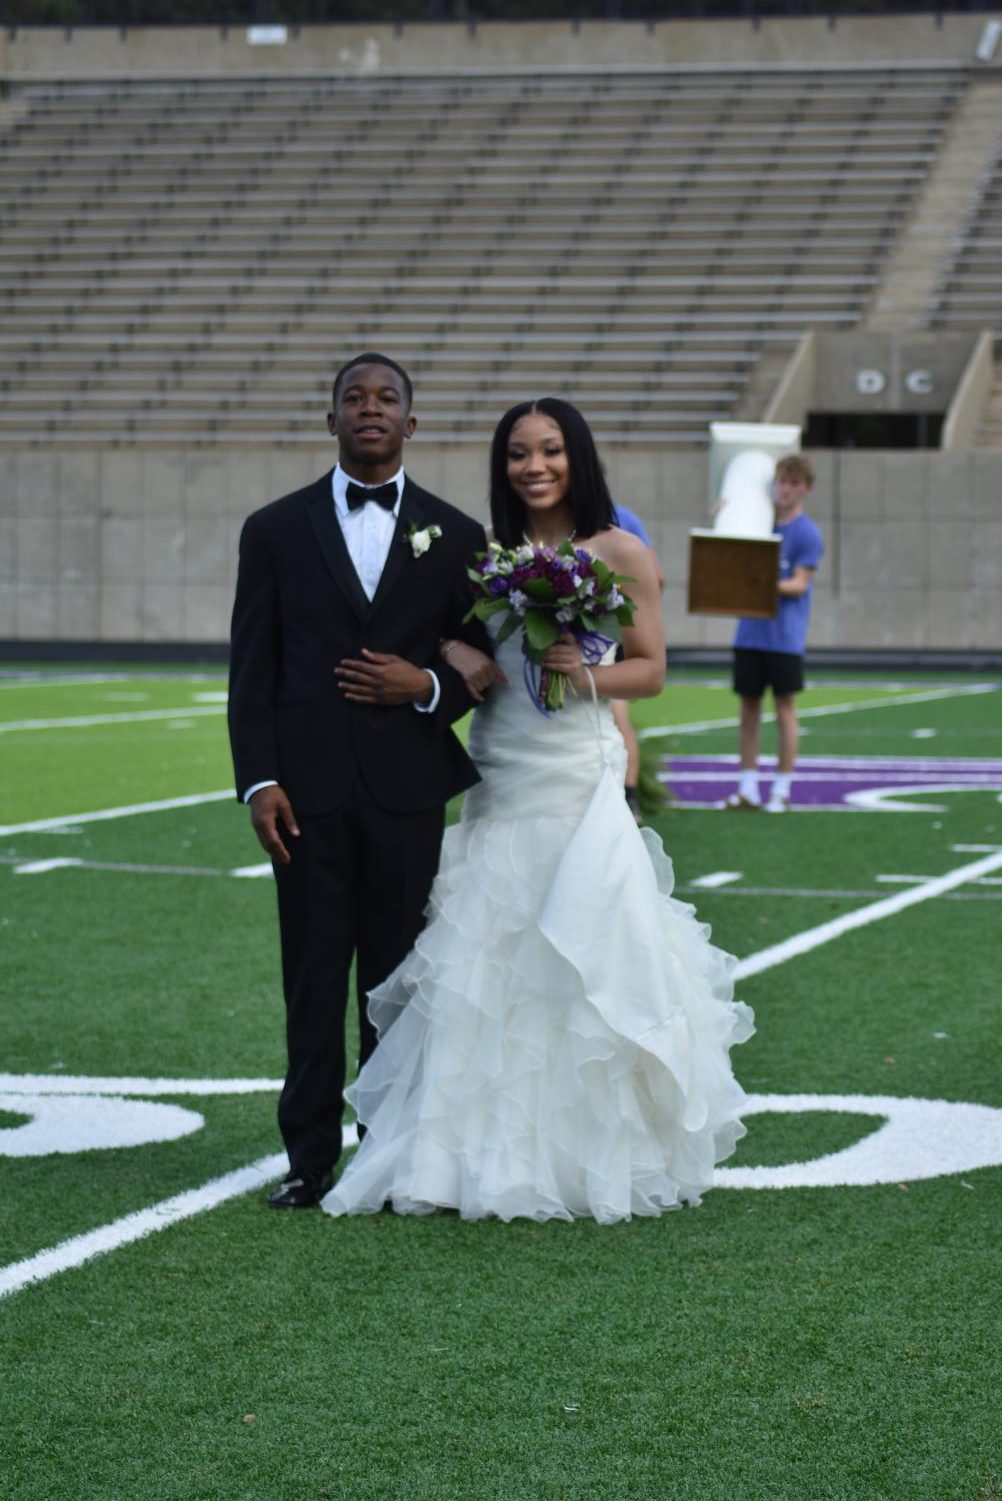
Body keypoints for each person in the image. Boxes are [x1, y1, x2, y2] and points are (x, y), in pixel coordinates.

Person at [323, 397, 754, 1225]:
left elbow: (654, 669)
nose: (534, 466)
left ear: (576, 457)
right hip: (500, 760)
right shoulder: (488, 555)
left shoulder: (620, 549)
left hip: (569, 760)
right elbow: (460, 640)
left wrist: (582, 668)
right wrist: (454, 648)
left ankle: (589, 1154)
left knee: (580, 939)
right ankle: (467, 1155)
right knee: (489, 948)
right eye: (518, 453)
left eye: (550, 450)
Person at [227, 352, 496, 1209]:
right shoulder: (273, 529)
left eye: (387, 399)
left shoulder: (457, 536)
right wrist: (257, 780)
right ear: (332, 418)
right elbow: (252, 670)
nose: (370, 409)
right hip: (304, 797)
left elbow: (483, 659)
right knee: (310, 979)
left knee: (396, 981)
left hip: (407, 792)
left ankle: (389, 1153)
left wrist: (423, 688)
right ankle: (308, 1157)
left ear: (411, 423)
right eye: (355, 398)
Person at [724, 454, 824, 814]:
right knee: (748, 711)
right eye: (784, 481)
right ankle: (748, 787)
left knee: (785, 711)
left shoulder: (806, 532)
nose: (788, 489)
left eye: (796, 483)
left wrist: (759, 584)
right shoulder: (758, 522)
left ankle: (781, 789)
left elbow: (799, 583)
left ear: (807, 490)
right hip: (749, 633)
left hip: (784, 636)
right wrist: (723, 514)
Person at [610, 503, 666, 823]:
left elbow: (655, 576)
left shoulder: (623, 518)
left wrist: (622, 611)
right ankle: (627, 797)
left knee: (617, 716)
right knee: (617, 717)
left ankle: (628, 795)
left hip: (606, 636)